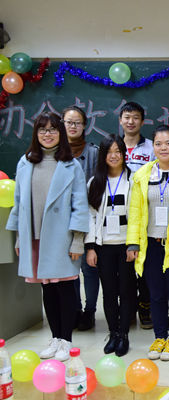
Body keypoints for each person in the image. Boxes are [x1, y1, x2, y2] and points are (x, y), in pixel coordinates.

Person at [6, 112, 88, 362]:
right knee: (48, 289)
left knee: (65, 288)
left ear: (60, 133)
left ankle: (66, 340)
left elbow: (80, 205)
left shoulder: (71, 164)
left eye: (53, 129)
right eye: (42, 129)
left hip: (61, 238)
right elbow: (18, 203)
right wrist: (19, 237)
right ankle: (55, 338)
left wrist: (78, 240)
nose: (48, 134)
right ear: (36, 133)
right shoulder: (25, 162)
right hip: (34, 237)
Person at [126, 125, 169, 361]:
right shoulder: (142, 174)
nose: (163, 148)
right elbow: (135, 212)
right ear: (152, 147)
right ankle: (160, 336)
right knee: (156, 294)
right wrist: (132, 243)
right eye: (158, 144)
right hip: (150, 244)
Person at [85, 134, 136, 357]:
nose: (114, 156)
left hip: (126, 245)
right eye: (109, 152)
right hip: (103, 246)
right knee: (109, 292)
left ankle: (124, 334)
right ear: (103, 155)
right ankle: (113, 332)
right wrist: (90, 247)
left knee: (126, 290)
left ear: (124, 154)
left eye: (118, 151)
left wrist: (134, 245)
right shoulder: (95, 182)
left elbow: (137, 215)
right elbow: (90, 216)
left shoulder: (133, 180)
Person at [62, 105, 100, 331]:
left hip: (88, 218)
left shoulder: (94, 152)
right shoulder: (55, 152)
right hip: (62, 221)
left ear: (84, 125)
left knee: (89, 267)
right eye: (69, 122)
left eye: (77, 122)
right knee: (69, 269)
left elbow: (99, 185)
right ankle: (74, 309)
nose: (73, 126)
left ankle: (90, 311)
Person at [119, 101, 154, 330]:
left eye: (135, 117)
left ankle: (145, 306)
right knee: (123, 265)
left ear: (142, 121)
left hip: (144, 211)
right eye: (127, 117)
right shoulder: (114, 146)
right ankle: (128, 307)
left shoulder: (151, 147)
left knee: (143, 261)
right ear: (120, 120)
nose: (131, 121)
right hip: (118, 211)